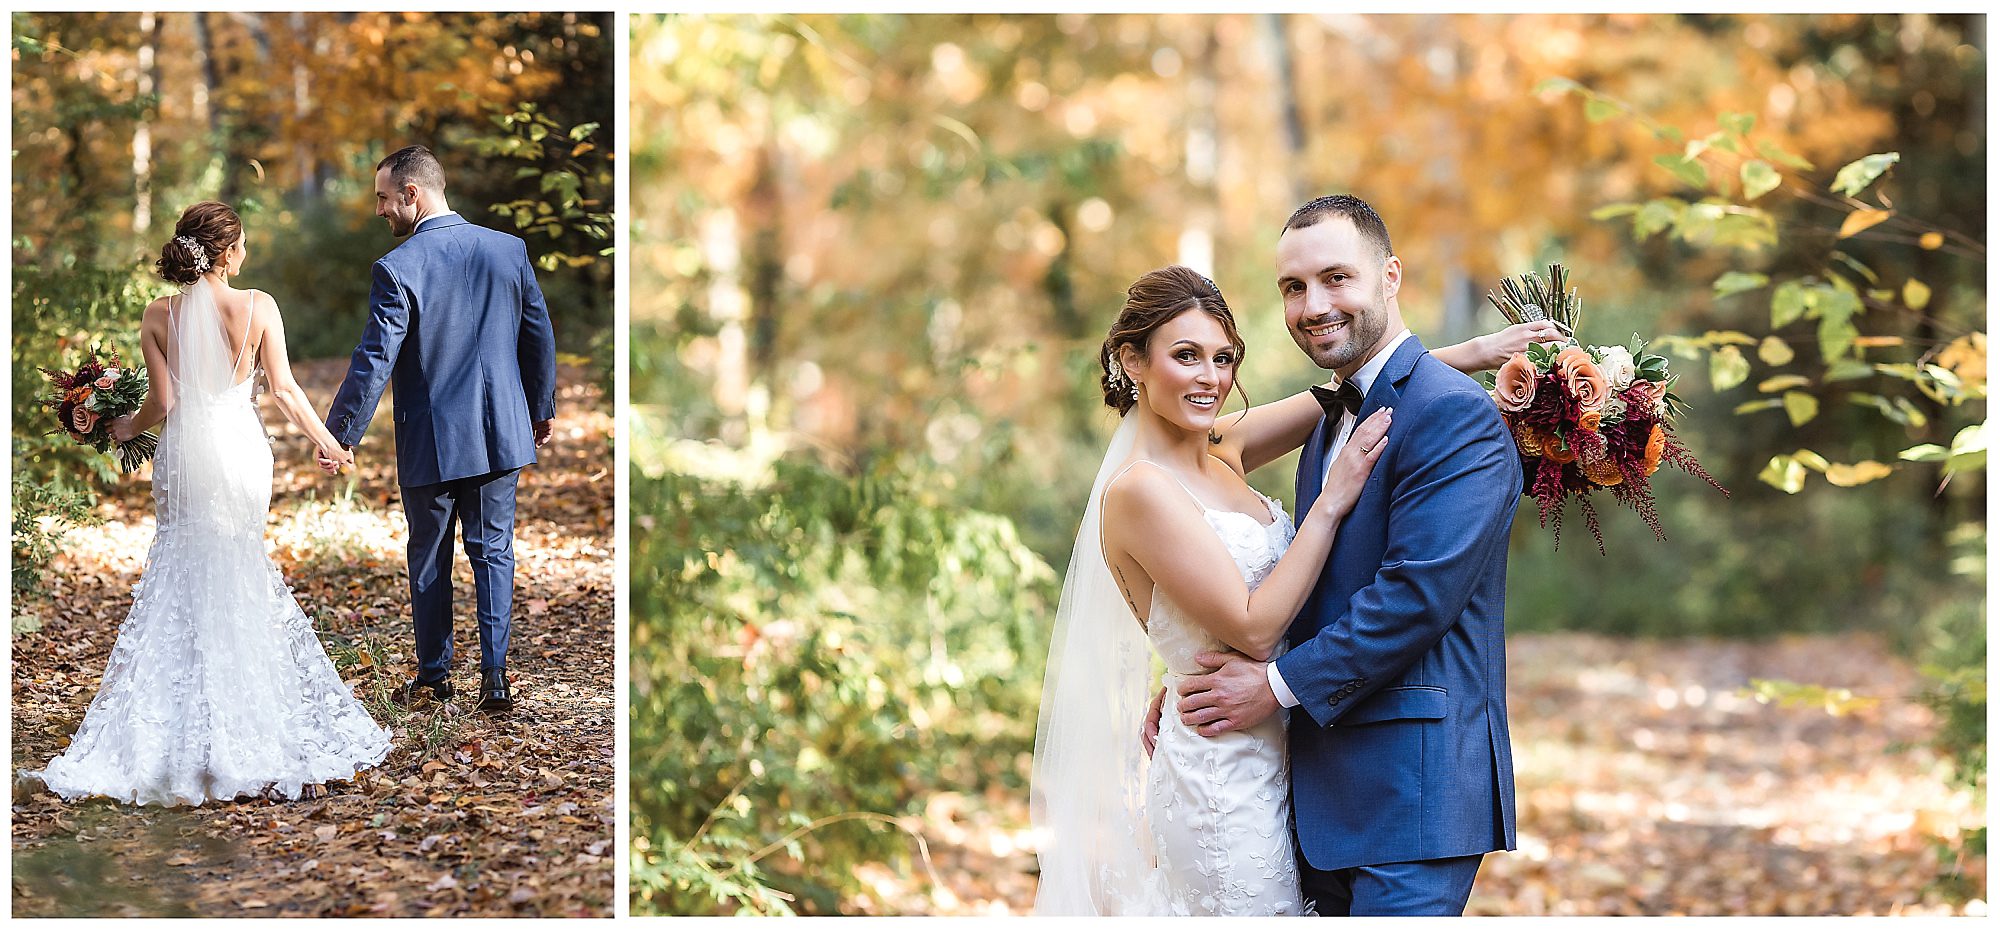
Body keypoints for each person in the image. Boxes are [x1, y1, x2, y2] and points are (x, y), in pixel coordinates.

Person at [1032, 246, 1554, 914]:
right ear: (1133, 362)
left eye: (1224, 358)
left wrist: (1479, 350)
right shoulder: (1140, 491)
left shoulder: (1221, 446)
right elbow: (1254, 625)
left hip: (1294, 757)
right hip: (1223, 770)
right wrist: (1331, 503)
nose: (1210, 378)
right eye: (1185, 355)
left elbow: (1363, 393)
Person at [33, 201, 391, 806]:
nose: (246, 252)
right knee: (239, 564)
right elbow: (283, 389)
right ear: (226, 253)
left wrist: (121, 429)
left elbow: (164, 405)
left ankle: (175, 722)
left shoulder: (157, 314)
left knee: (181, 566)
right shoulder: (259, 306)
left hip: (183, 454)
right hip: (240, 450)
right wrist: (328, 442)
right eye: (243, 243)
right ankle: (247, 714)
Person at [322, 145, 558, 714]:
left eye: (383, 197)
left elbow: (374, 357)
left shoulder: (399, 269)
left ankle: (434, 677)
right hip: (502, 430)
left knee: (430, 556)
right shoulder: (508, 250)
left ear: (413, 194)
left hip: (434, 438)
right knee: (494, 551)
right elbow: (539, 334)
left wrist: (341, 433)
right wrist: (539, 407)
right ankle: (495, 679)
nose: (378, 210)